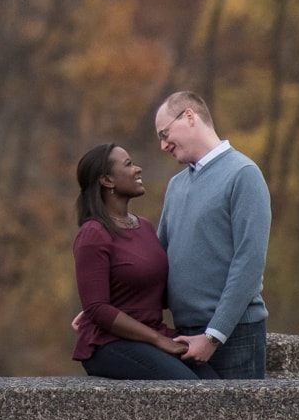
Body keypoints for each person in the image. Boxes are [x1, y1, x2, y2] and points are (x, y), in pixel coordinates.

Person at [72, 143, 218, 379]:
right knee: (192, 392)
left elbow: (155, 287)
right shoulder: (93, 233)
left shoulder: (144, 226)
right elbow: (98, 309)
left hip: (152, 334)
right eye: (128, 164)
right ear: (107, 180)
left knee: (218, 390)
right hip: (110, 343)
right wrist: (159, 340)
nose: (138, 169)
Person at [153, 91, 272, 379]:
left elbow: (249, 262)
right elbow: (156, 262)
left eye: (165, 133)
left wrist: (214, 336)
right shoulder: (176, 186)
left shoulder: (243, 174)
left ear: (190, 117)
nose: (162, 145)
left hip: (235, 337)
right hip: (183, 335)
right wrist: (107, 309)